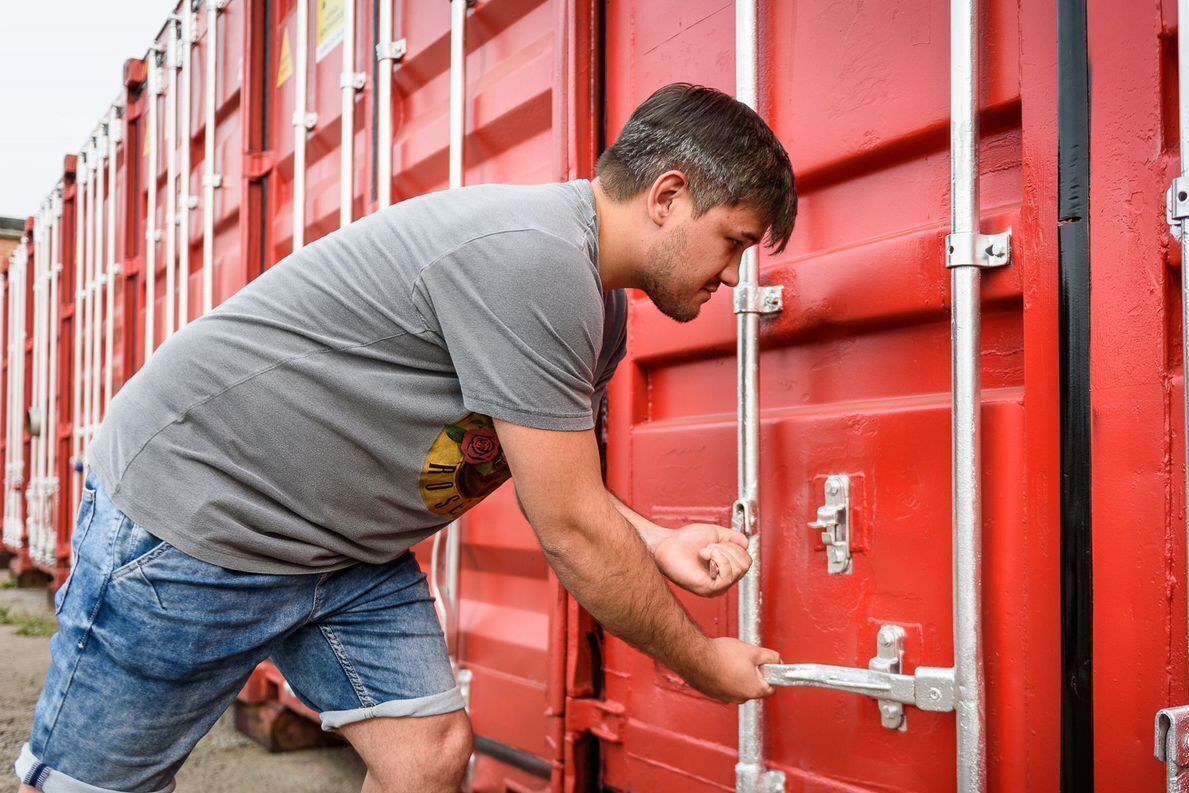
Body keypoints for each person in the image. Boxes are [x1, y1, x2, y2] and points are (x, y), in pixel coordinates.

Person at [14, 82, 797, 793]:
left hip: (341, 549)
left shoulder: (601, 313)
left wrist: (655, 541)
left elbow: (562, 487)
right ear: (667, 196)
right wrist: (705, 665)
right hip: (201, 516)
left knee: (427, 754)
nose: (735, 276)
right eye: (733, 241)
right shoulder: (535, 258)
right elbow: (573, 535)